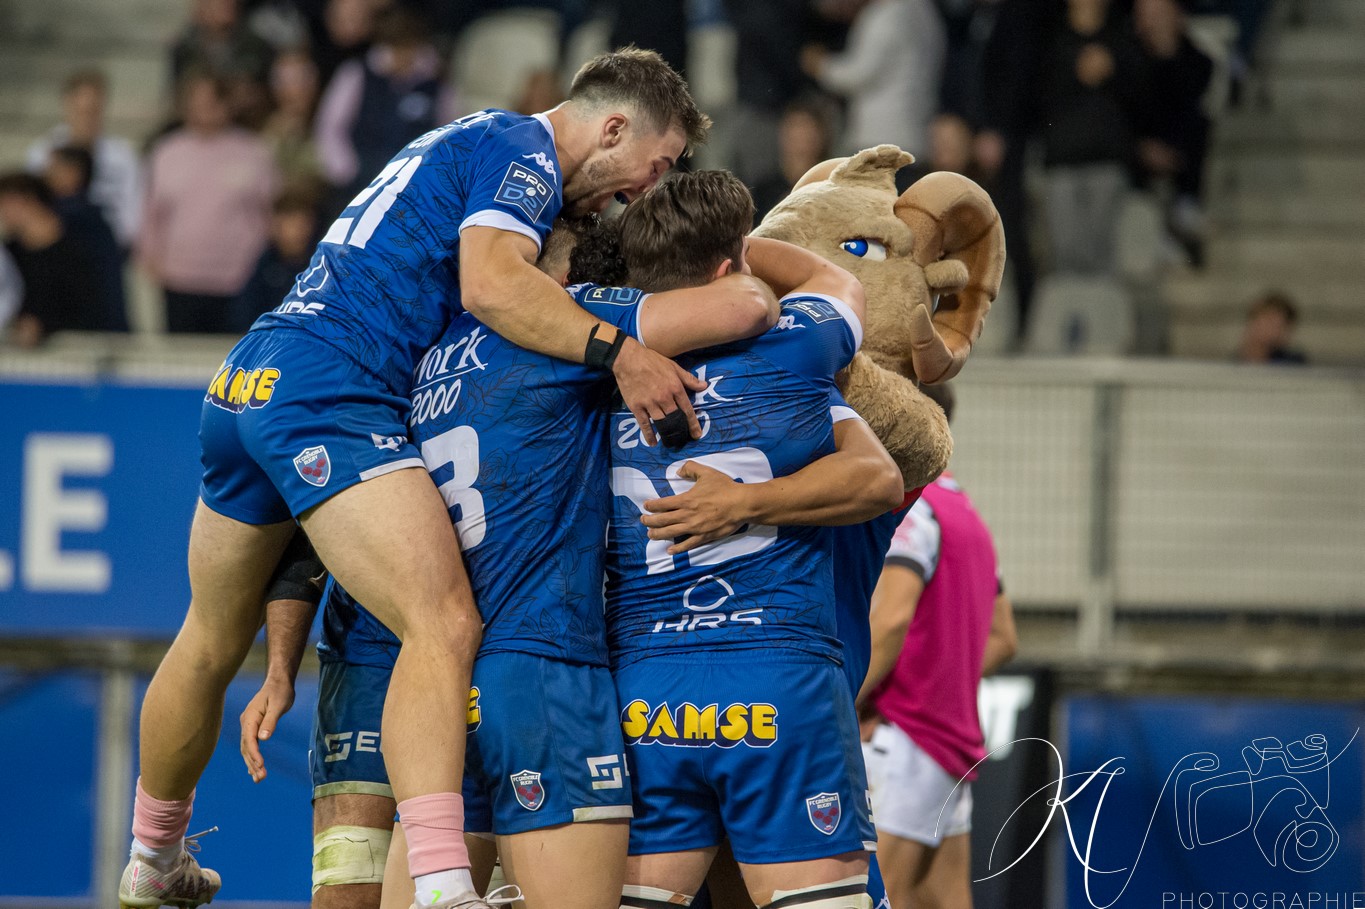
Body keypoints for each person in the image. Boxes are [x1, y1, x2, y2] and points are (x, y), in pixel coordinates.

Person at [120, 47, 753, 909]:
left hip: (249, 374)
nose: (646, 188)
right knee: (444, 622)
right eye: (660, 163)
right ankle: (445, 887)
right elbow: (492, 284)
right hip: (331, 387)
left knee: (203, 636)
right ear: (613, 128)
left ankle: (153, 853)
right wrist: (620, 351)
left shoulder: (454, 141)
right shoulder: (523, 153)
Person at [605, 170, 901, 909]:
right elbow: (833, 280)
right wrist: (745, 503)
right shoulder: (796, 345)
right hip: (775, 673)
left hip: (643, 687)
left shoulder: (589, 371)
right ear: (725, 266)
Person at [858, 382, 1018, 909]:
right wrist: (939, 685)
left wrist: (850, 702)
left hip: (904, 741)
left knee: (880, 897)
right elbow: (1003, 639)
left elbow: (890, 622)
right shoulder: (967, 515)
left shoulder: (914, 511)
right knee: (943, 901)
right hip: (949, 745)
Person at [139, 71, 279, 333]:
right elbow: (151, 214)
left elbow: (270, 212)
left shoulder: (254, 152)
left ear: (227, 104)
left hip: (240, 280)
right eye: (198, 101)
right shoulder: (166, 152)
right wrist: (149, 257)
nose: (205, 109)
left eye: (213, 100)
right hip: (179, 281)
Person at [26, 69, 142, 250]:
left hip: (109, 250)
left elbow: (133, 210)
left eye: (94, 111)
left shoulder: (122, 156)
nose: (87, 119)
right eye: (82, 111)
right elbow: (34, 209)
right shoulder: (42, 153)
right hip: (57, 251)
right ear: (67, 106)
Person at [0, 173, 109, 347]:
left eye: (5, 203)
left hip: (73, 349)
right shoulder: (9, 253)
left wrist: (44, 326)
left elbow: (90, 306)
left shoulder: (78, 248)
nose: (2, 213)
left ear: (29, 201)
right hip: (18, 352)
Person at [43, 145, 128, 331]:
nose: (46, 174)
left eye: (53, 167)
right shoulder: (88, 216)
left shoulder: (81, 221)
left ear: (75, 173)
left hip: (93, 327)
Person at [235, 187, 319, 331]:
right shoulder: (264, 265)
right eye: (288, 224)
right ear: (274, 225)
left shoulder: (320, 267)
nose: (295, 232)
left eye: (301, 224)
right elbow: (243, 315)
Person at [1235, 291, 1306, 365]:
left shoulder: (1292, 363)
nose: (1273, 331)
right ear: (1253, 320)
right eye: (1269, 321)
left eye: (1280, 326)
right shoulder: (1231, 363)